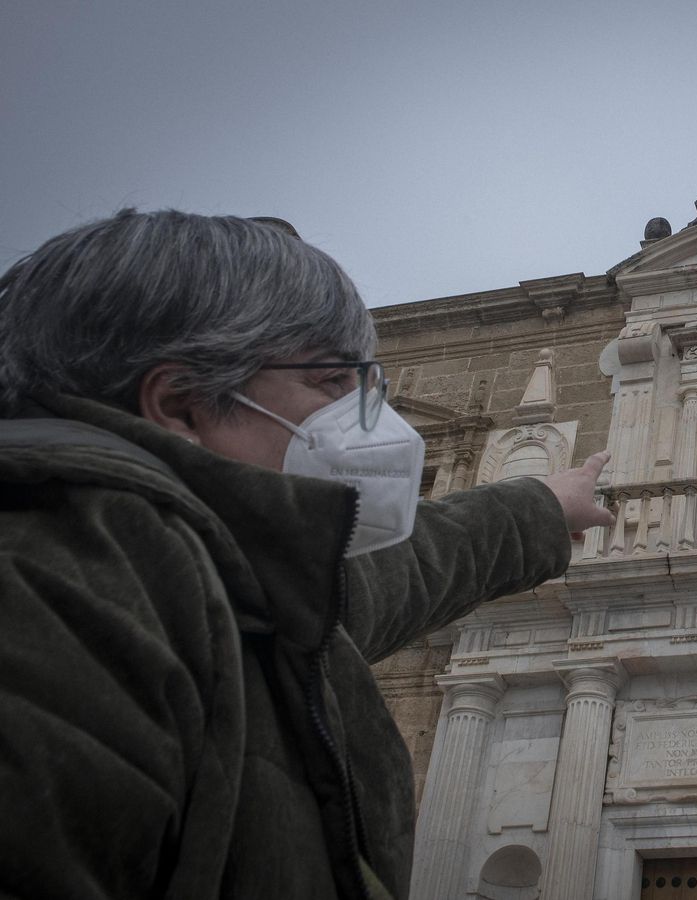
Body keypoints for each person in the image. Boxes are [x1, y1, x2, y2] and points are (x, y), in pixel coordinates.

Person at [0, 210, 614, 899]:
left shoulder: (232, 582)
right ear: (180, 404)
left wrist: (540, 509)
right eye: (328, 383)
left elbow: (403, 572)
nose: (366, 419)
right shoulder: (50, 589)